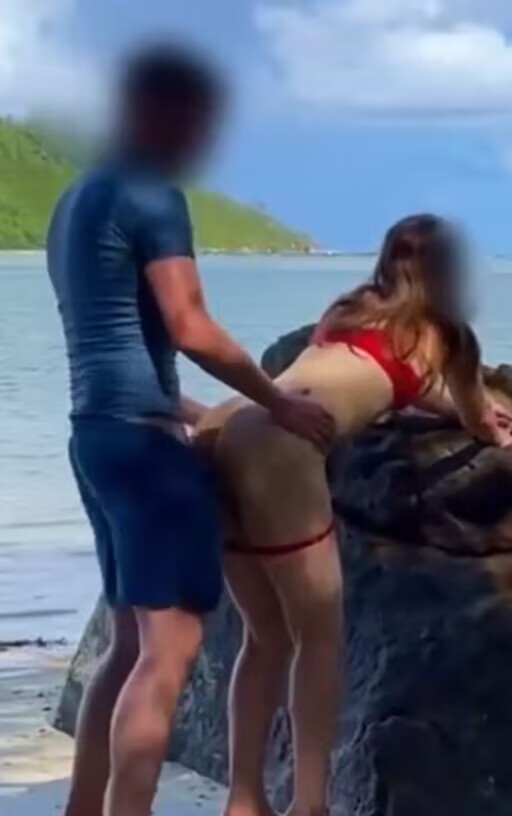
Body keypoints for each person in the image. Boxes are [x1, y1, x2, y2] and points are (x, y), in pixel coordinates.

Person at [48, 44, 336, 816]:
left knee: (127, 645)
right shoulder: (150, 193)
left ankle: (83, 807)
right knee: (168, 654)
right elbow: (189, 326)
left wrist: (198, 411)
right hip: (144, 452)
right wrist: (277, 402)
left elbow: (110, 340)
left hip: (96, 438)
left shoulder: (75, 200)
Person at [194, 214, 512, 816]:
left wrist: (443, 402)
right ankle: (309, 805)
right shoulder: (450, 336)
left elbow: (390, 377)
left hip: (225, 423)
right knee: (318, 635)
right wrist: (490, 424)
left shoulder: (349, 309)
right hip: (280, 450)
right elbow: (477, 417)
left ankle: (243, 800)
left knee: (263, 636)